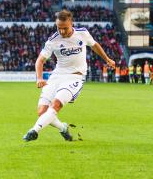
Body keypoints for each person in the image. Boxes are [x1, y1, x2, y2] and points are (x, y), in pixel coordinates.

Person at [23, 10, 115, 142]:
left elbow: (94, 45)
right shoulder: (53, 41)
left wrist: (107, 59)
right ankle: (63, 128)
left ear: (71, 23)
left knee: (56, 104)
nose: (62, 31)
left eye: (65, 28)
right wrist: (39, 78)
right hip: (56, 76)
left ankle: (34, 131)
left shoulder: (82, 33)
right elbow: (40, 60)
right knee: (42, 112)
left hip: (74, 77)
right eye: (58, 28)